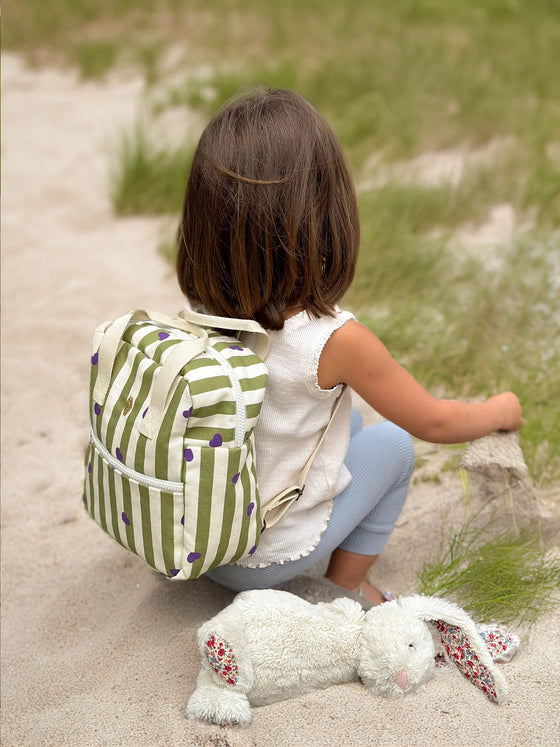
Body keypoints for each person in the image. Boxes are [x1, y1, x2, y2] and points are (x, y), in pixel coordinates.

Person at [176, 87, 523, 604]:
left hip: (194, 539)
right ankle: (346, 585)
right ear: (325, 216)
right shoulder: (335, 341)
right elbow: (433, 422)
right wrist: (498, 410)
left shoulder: (204, 307)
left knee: (350, 424)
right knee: (393, 446)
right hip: (257, 560)